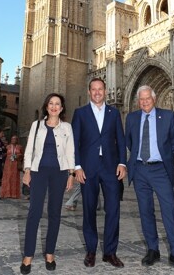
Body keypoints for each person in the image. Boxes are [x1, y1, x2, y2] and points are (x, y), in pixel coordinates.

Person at [125, 85, 174, 272]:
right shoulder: (132, 118)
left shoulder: (167, 116)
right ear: (138, 101)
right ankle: (152, 249)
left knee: (169, 209)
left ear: (154, 99)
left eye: (147, 98)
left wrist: (164, 156)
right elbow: (129, 142)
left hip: (160, 170)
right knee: (145, 211)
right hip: (140, 170)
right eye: (141, 99)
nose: (144, 102)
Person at [72, 78, 126, 268]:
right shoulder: (80, 113)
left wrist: (122, 163)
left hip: (111, 168)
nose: (97, 92)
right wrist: (77, 167)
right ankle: (91, 251)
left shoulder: (114, 113)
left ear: (105, 91)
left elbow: (120, 138)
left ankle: (110, 252)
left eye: (100, 89)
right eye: (93, 89)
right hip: (88, 169)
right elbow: (75, 142)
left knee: (113, 210)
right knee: (88, 210)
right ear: (89, 92)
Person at [20, 93, 75, 274]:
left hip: (59, 173)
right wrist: (27, 171)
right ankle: (28, 255)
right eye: (51, 103)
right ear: (46, 106)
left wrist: (71, 174)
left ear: (61, 108)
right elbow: (29, 151)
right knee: (34, 212)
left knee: (54, 214)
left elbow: (70, 152)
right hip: (38, 172)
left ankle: (50, 253)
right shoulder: (37, 125)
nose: (53, 106)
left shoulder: (67, 127)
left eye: (57, 104)